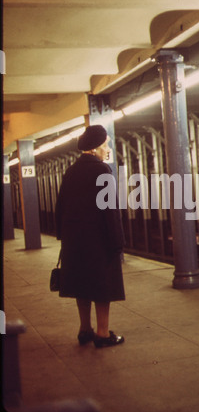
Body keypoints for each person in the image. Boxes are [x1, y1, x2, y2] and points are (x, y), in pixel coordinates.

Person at [55, 124, 125, 348]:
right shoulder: (102, 170)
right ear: (95, 147)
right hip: (98, 240)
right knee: (102, 286)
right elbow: (109, 209)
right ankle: (103, 334)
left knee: (81, 284)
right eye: (106, 144)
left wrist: (63, 237)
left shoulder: (70, 171)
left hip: (74, 240)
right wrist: (117, 241)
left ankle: (85, 330)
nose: (108, 148)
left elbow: (60, 207)